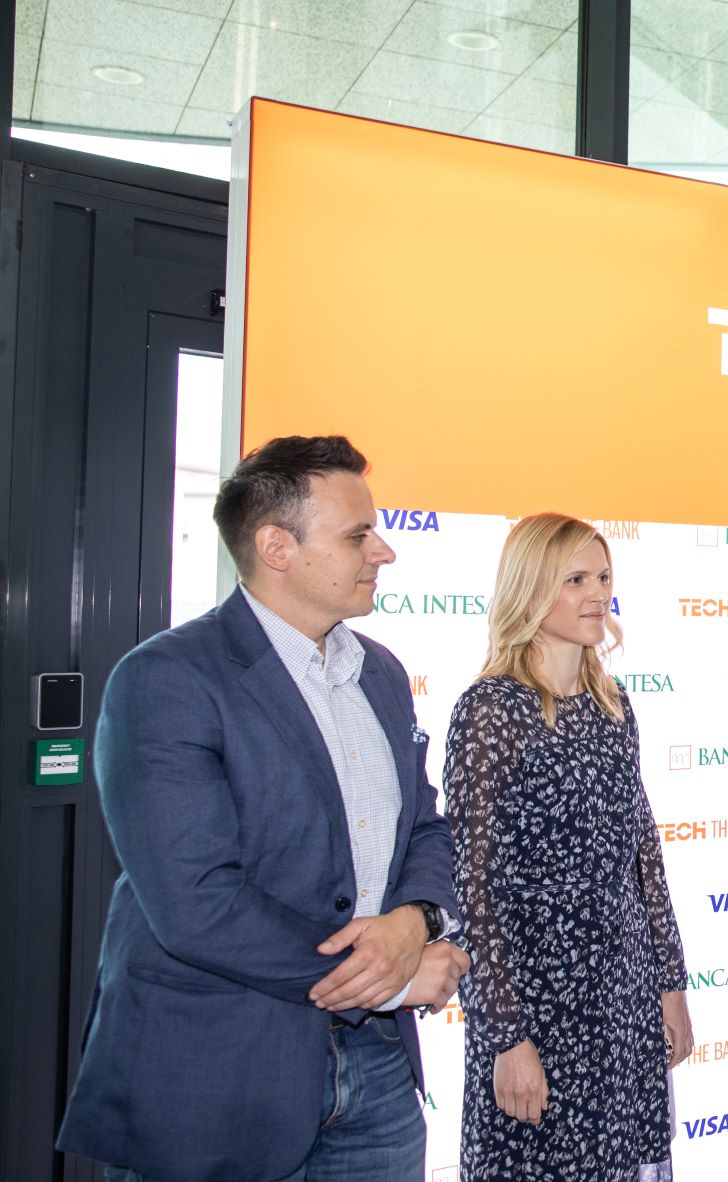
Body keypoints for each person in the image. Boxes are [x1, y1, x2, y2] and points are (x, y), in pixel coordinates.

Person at [57, 435, 467, 1182]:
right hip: (215, 1077)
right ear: (278, 547)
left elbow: (425, 829)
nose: (384, 552)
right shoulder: (165, 680)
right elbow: (195, 902)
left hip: (376, 1073)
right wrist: (389, 977)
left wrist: (417, 922)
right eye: (358, 536)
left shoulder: (378, 672)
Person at [446, 513, 691, 1181]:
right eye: (575, 579)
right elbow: (470, 886)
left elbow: (644, 857)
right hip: (537, 1004)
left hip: (623, 995)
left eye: (603, 577)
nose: (597, 594)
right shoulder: (491, 710)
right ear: (529, 588)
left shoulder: (613, 705)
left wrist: (671, 986)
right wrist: (506, 1036)